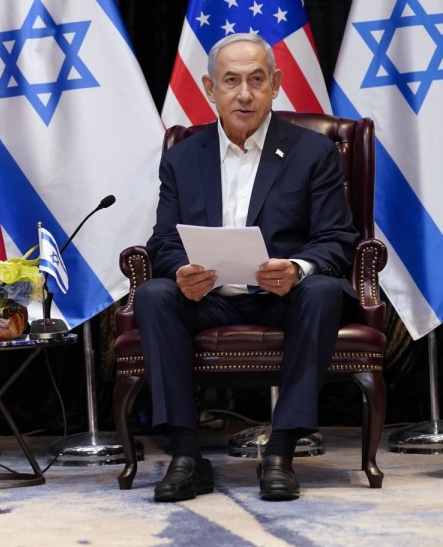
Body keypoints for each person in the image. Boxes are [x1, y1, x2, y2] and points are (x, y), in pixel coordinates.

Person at [135, 33, 357, 502]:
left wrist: (297, 268)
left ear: (275, 85)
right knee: (155, 294)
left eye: (257, 80)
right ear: (209, 88)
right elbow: (164, 241)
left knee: (322, 291)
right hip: (209, 300)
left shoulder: (313, 152)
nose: (244, 94)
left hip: (283, 299)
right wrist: (180, 273)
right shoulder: (181, 158)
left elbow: (337, 241)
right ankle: (186, 454)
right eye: (231, 81)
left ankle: (280, 452)